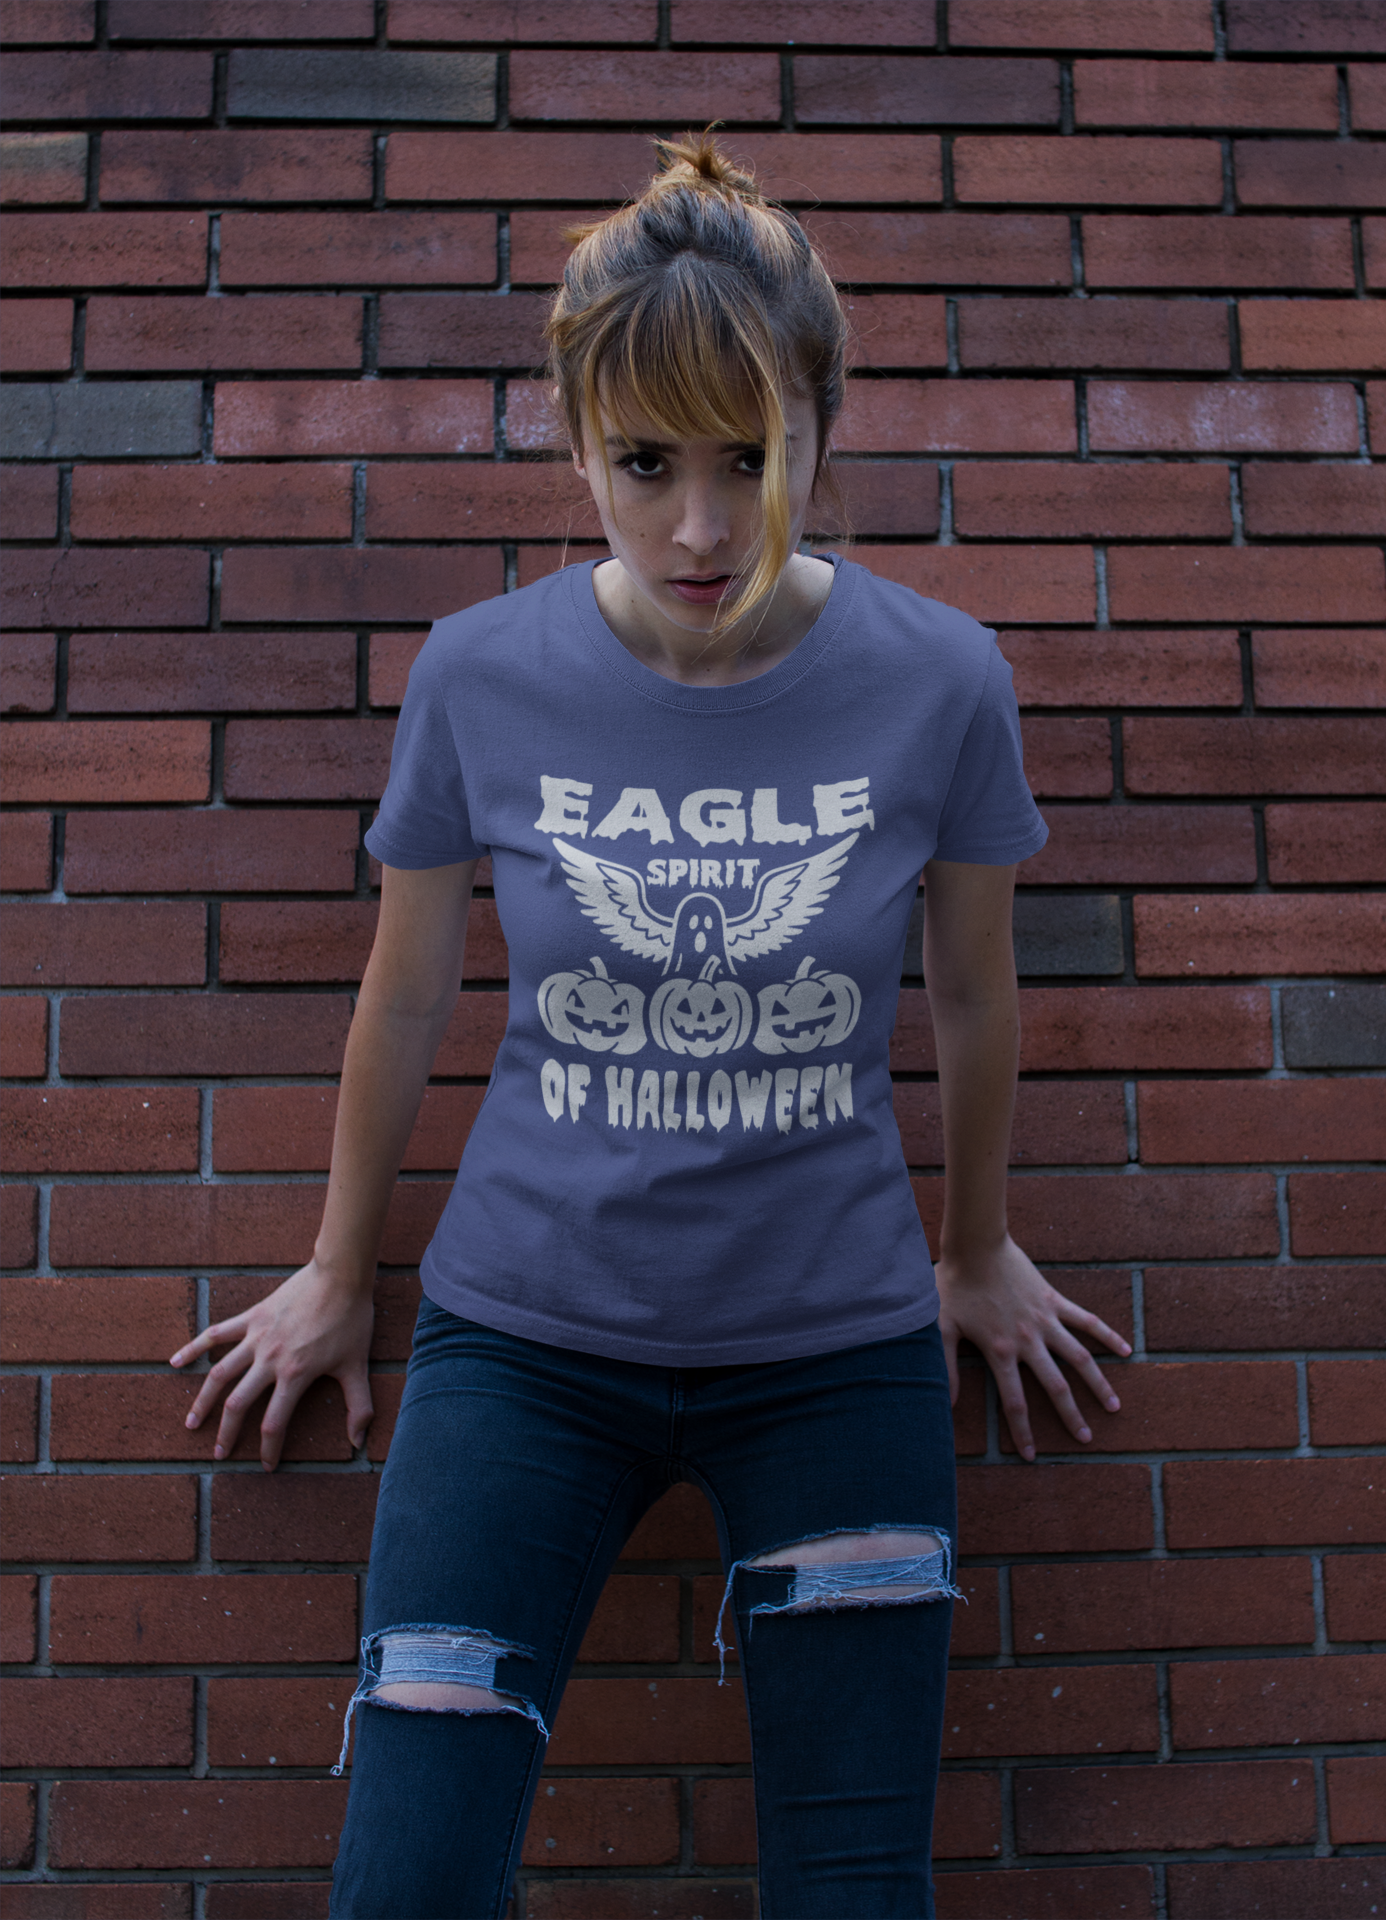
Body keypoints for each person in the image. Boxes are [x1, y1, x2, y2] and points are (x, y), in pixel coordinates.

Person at [170, 133, 1131, 1920]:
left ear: (824, 432)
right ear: (574, 439)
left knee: (856, 1887)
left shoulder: (941, 681)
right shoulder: (479, 671)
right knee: (408, 1881)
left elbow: (980, 993)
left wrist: (977, 1246)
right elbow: (406, 994)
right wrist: (333, 1265)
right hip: (522, 1351)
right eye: (646, 463)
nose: (702, 526)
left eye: (753, 462)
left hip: (835, 1360)